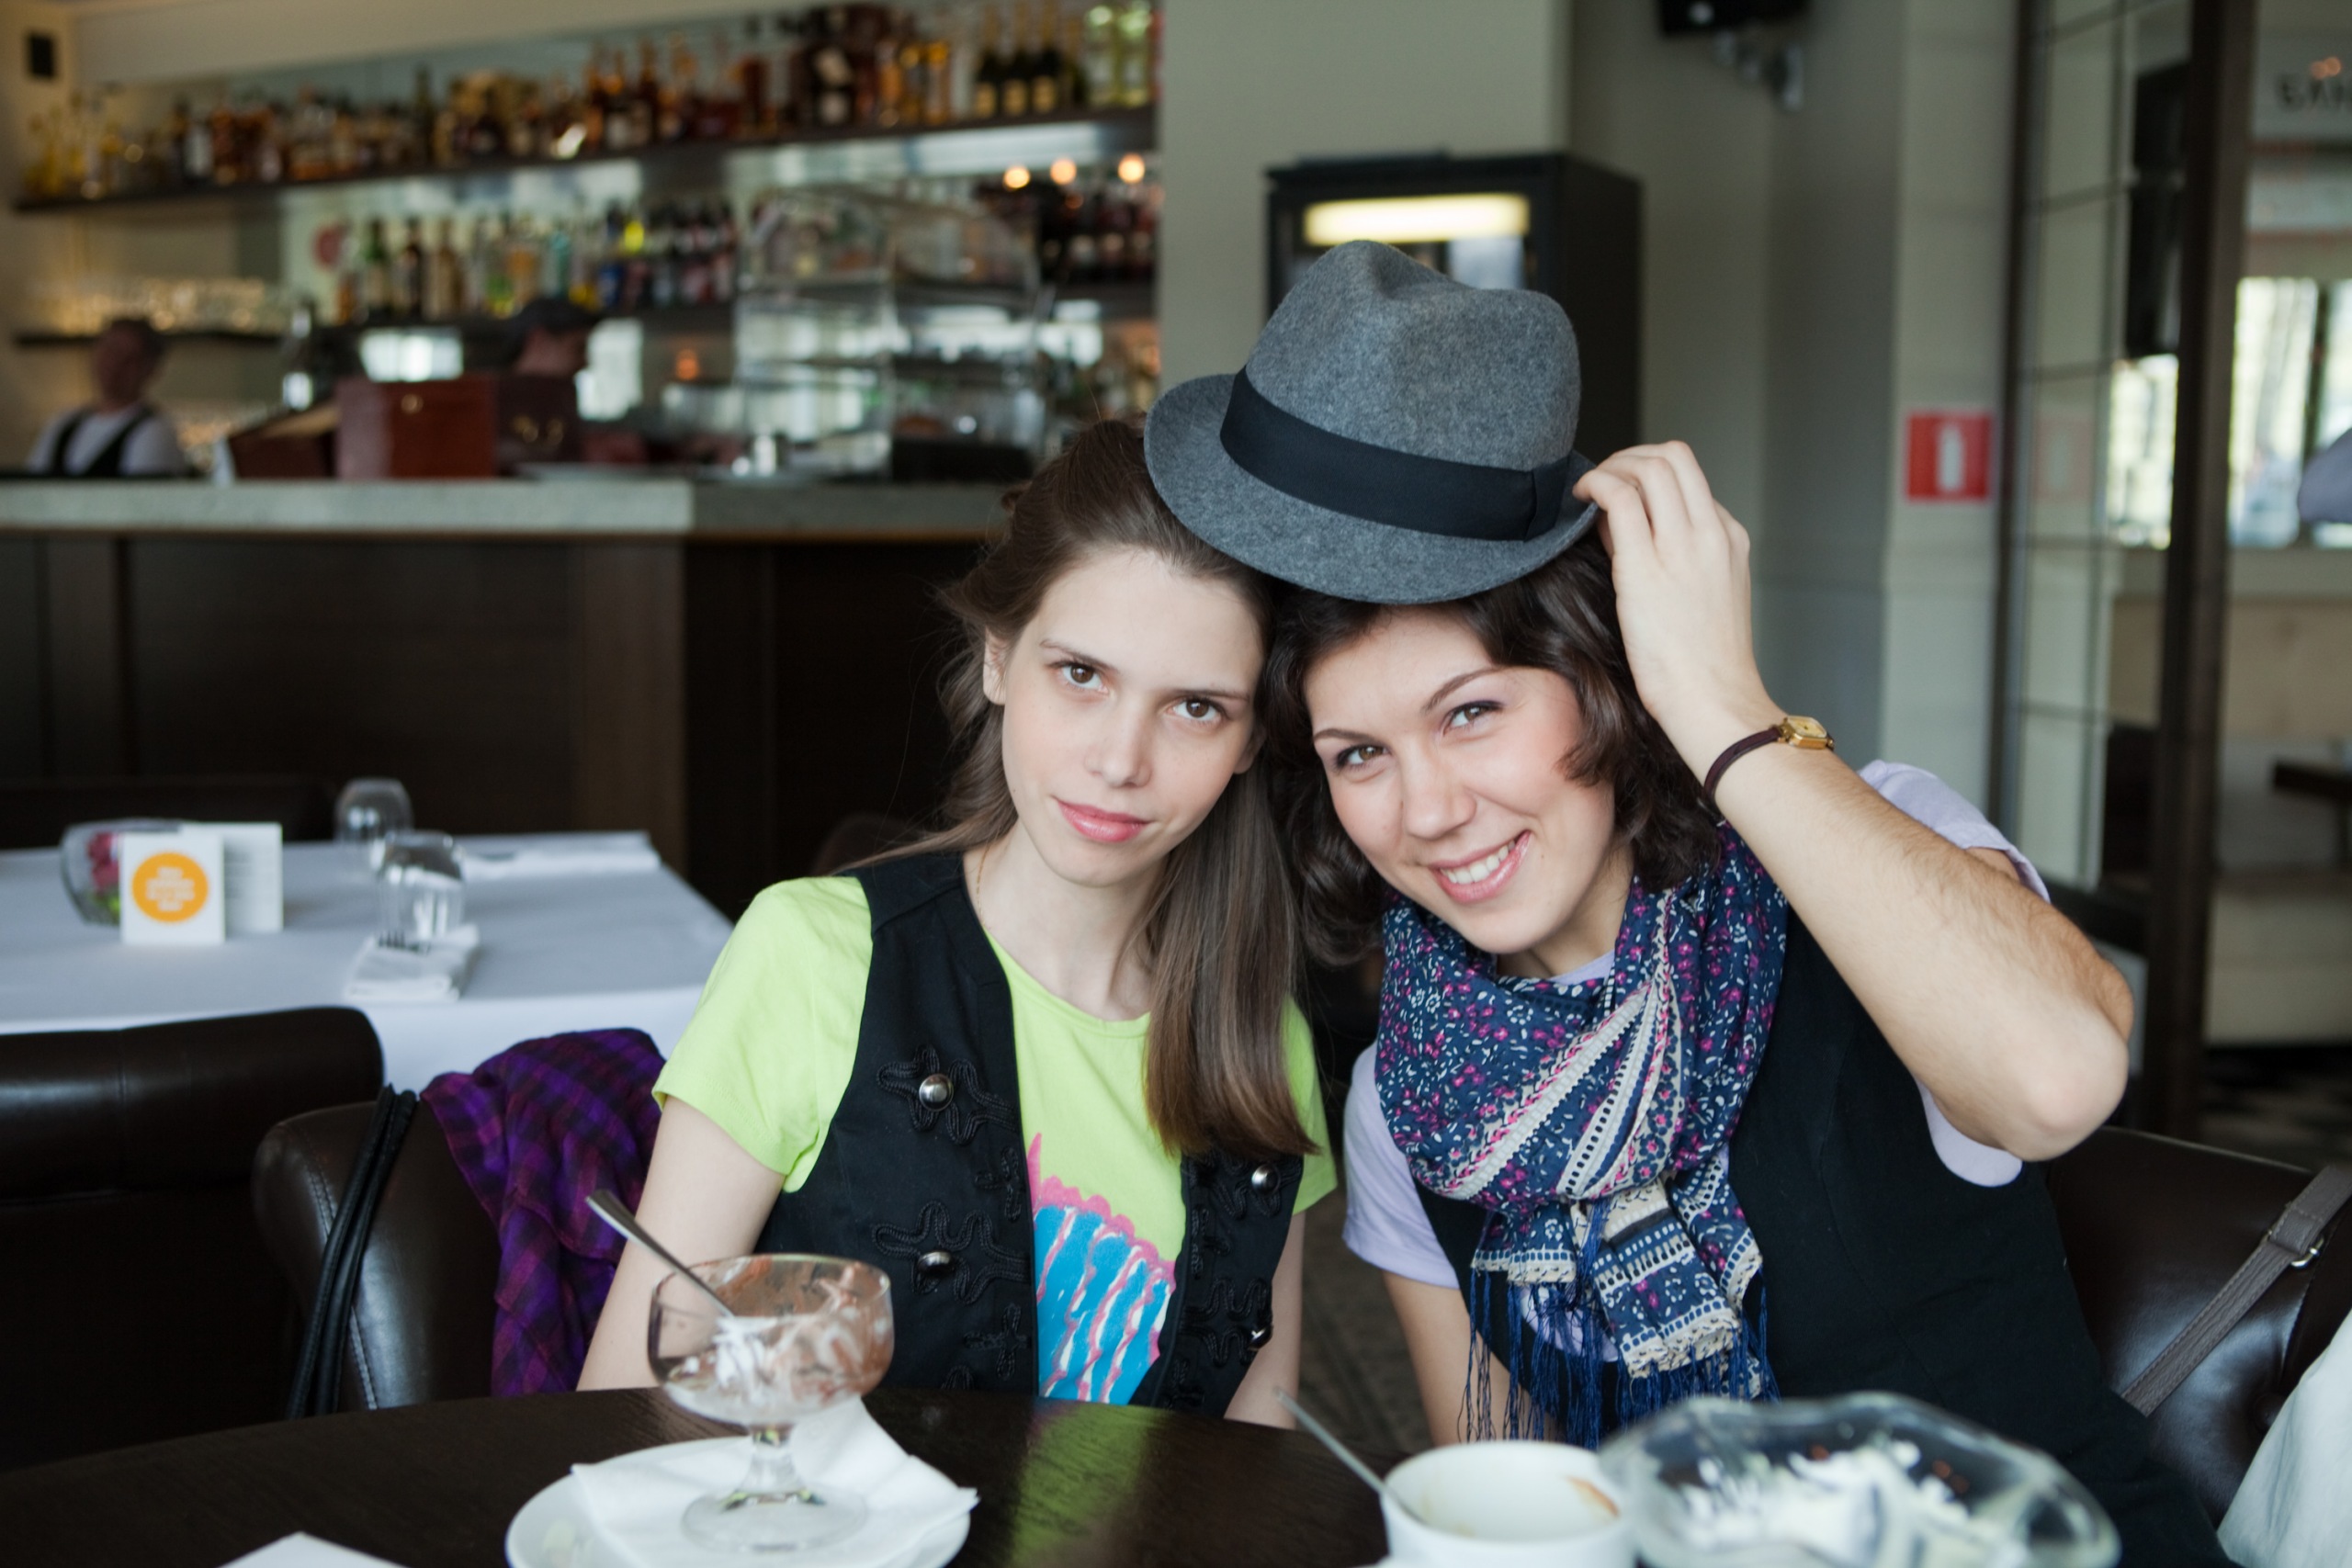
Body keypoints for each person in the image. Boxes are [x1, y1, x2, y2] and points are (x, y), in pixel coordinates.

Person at [1141, 241, 2228, 1560]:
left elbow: (2055, 1081)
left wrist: (1720, 704)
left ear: (1605, 682)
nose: (1424, 811)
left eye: (1472, 712)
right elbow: (1508, 1511)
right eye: (1358, 753)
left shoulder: (1870, 862)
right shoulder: (1407, 1103)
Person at [579, 419, 1333, 1423]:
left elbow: (1257, 1443)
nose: (1121, 761)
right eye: (1081, 675)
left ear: (1248, 741)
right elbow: (628, 1408)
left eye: (1196, 707)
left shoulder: (1263, 1037)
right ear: (997, 659)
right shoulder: (814, 957)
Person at [28, 317, 185, 477]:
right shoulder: (63, 424)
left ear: (150, 368)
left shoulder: (155, 432)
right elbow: (33, 484)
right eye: (109, 351)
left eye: (129, 358)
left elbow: (141, 491)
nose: (114, 365)